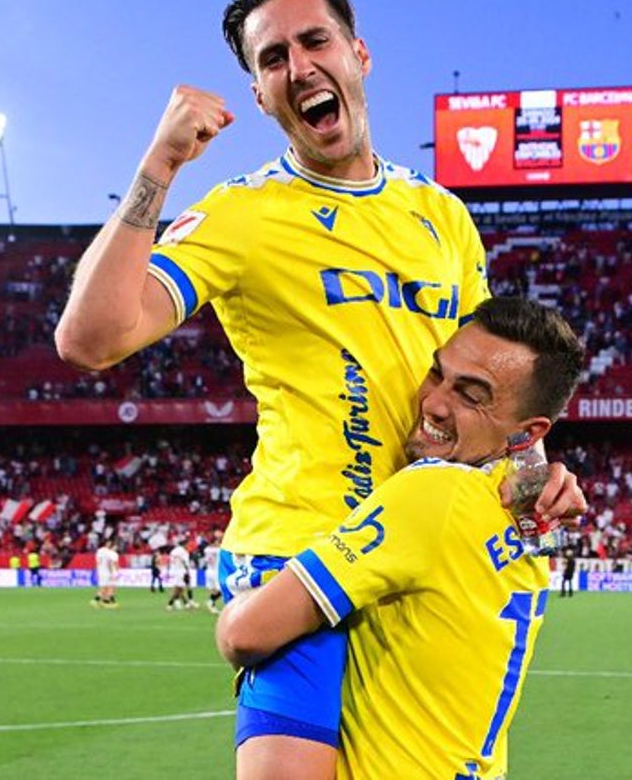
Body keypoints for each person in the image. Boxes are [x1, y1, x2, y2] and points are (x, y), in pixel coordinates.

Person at [54, 0, 586, 777]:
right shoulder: (242, 216)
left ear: (359, 53)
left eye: (314, 41)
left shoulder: (442, 216)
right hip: (298, 551)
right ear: (261, 97)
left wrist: (535, 470)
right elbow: (90, 340)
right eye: (273, 59)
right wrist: (161, 164)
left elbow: (491, 385)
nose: (298, 67)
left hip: (417, 560)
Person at [217, 297, 585, 778]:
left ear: (529, 430)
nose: (433, 402)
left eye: (471, 395)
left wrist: (240, 589)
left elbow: (244, 635)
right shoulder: (530, 520)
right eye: (437, 373)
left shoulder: (434, 491)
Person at [92, 537, 120, 609]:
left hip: (100, 570)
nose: (110, 544)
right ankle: (99, 601)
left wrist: (97, 571)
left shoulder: (99, 551)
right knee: (107, 587)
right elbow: (109, 563)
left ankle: (102, 601)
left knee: (104, 587)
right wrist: (112, 572)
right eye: (109, 542)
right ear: (107, 543)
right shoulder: (108, 552)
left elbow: (98, 562)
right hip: (106, 571)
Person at [166, 541, 193, 611]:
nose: (188, 546)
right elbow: (185, 563)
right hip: (181, 571)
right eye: (187, 545)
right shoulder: (184, 552)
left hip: (174, 570)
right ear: (184, 544)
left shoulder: (173, 551)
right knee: (178, 588)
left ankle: (186, 603)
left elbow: (170, 561)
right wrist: (188, 572)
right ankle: (170, 604)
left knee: (180, 588)